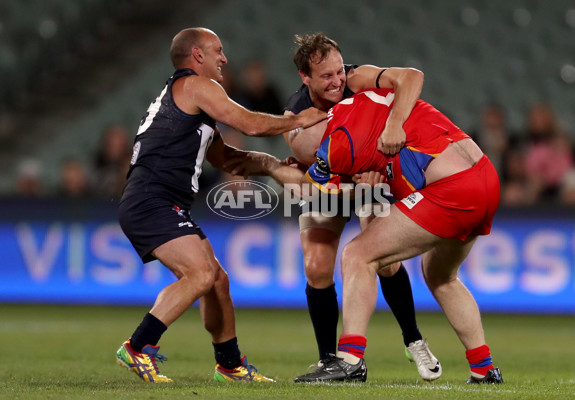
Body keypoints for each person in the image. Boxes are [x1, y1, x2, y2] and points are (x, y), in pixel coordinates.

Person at [227, 87, 504, 384]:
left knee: (357, 256)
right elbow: (409, 79)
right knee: (440, 277)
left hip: (452, 190)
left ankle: (350, 359)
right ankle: (483, 368)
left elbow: (311, 187)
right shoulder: (376, 98)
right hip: (484, 177)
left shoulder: (342, 137)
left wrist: (271, 166)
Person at [115, 27, 326, 383]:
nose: (224, 58)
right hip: (153, 199)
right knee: (199, 274)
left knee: (217, 281)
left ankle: (230, 366)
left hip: (160, 201)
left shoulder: (187, 101)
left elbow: (226, 157)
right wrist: (297, 120)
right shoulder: (197, 85)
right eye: (218, 50)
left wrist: (273, 167)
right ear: (197, 55)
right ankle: (138, 347)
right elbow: (248, 123)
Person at [282, 33, 441, 381]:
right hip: (334, 187)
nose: (338, 80)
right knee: (316, 267)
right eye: (326, 76)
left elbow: (411, 77)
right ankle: (330, 361)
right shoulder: (299, 119)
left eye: (339, 70)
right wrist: (355, 179)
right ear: (304, 78)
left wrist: (392, 131)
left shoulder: (358, 78)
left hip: (373, 180)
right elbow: (314, 178)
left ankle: (413, 339)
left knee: (385, 262)